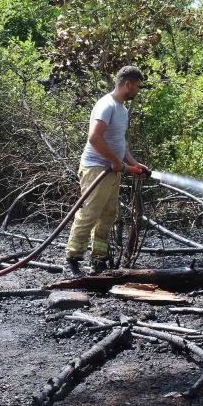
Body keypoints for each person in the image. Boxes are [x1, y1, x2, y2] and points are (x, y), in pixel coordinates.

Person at [64, 65, 150, 277]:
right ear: (127, 84)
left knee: (109, 213)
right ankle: (73, 258)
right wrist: (114, 162)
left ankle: (99, 260)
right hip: (96, 168)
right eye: (137, 86)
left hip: (112, 169)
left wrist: (134, 163)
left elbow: (120, 143)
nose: (138, 90)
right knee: (90, 212)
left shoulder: (122, 109)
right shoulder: (106, 105)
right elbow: (94, 138)